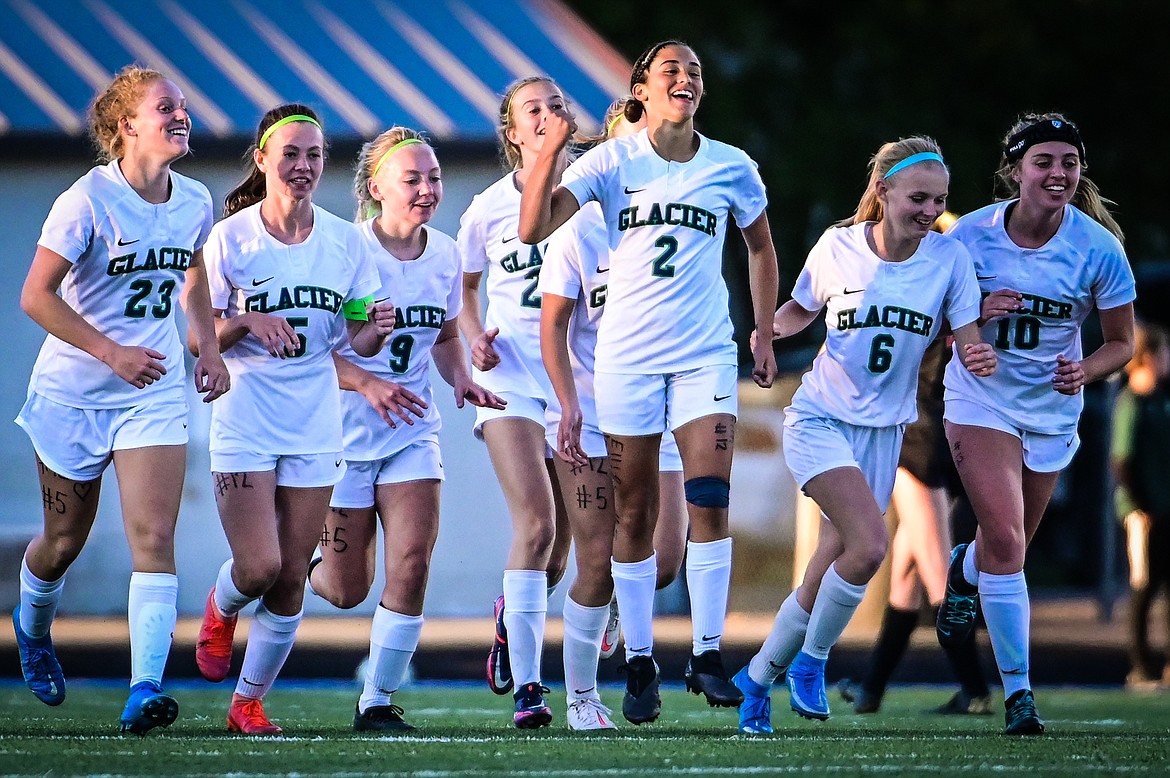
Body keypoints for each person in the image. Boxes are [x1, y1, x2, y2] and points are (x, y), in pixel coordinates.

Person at [520, 40, 780, 724]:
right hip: (628, 362)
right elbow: (532, 230)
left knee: (710, 500)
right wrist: (549, 151)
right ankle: (639, 661)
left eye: (696, 70)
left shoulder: (731, 165)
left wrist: (762, 329)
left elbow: (760, 245)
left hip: (703, 356)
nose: (686, 79)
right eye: (671, 69)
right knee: (632, 515)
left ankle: (708, 654)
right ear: (640, 88)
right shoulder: (612, 159)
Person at [729, 136, 996, 733]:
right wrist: (767, 335)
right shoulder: (838, 246)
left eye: (939, 200)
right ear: (883, 191)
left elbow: (968, 332)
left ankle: (757, 678)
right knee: (871, 546)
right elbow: (802, 309)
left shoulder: (948, 259)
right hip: (821, 419)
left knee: (830, 561)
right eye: (918, 198)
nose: (929, 211)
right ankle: (811, 664)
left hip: (885, 434)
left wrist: (979, 356)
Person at [12, 65, 230, 735]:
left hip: (154, 391)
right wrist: (111, 352)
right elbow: (35, 296)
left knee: (154, 538)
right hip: (74, 396)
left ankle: (144, 689)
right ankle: (32, 627)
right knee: (62, 542)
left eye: (185, 104)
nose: (182, 114)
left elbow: (193, 272)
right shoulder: (86, 201)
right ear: (126, 125)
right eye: (167, 106)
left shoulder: (194, 199)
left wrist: (208, 344)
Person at [193, 104, 394, 735]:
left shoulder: (345, 242)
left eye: (313, 155)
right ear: (262, 159)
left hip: (315, 417)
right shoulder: (230, 238)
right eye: (290, 154)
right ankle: (221, 608)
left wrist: (373, 330)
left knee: (290, 577)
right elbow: (204, 337)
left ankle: (247, 704)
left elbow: (354, 339)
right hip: (246, 412)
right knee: (258, 567)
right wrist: (248, 322)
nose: (303, 166)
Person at [936, 113, 1136, 735]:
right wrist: (970, 325)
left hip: (1051, 411)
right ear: (1014, 171)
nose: (1058, 174)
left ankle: (963, 569)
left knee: (1005, 547)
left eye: (1069, 163)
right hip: (981, 401)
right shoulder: (969, 236)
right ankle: (1021, 694)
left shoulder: (1097, 246)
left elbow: (1122, 342)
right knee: (1008, 539)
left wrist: (1088, 369)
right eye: (1044, 162)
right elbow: (928, 326)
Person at [306, 127, 504, 732]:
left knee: (412, 563)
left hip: (412, 432)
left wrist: (462, 379)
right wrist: (365, 383)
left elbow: (444, 334)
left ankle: (378, 700)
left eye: (434, 177)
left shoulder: (444, 254)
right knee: (344, 591)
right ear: (376, 187)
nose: (427, 189)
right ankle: (291, 564)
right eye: (412, 178)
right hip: (341, 437)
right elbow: (313, 352)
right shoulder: (342, 250)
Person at [538, 96, 690, 731]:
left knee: (666, 559)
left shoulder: (687, 220)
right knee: (596, 555)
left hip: (660, 405)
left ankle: (606, 620)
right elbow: (553, 324)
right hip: (595, 410)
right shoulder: (579, 228)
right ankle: (579, 695)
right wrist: (569, 403)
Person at [457, 76, 579, 729]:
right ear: (512, 132)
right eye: (534, 109)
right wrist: (475, 339)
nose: (547, 116)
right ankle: (532, 691)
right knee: (534, 526)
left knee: (557, 550)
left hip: (574, 384)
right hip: (511, 382)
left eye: (556, 105)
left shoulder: (593, 192)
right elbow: (464, 290)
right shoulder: (484, 210)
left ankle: (510, 616)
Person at [837, 333, 992, 715]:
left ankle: (975, 689)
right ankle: (871, 689)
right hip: (930, 430)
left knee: (938, 574)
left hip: (917, 435)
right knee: (906, 579)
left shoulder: (933, 295)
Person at [1110, 320, 1170, 690]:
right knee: (1144, 584)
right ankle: (1140, 665)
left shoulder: (1163, 399)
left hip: (1166, 510)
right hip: (1143, 514)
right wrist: (1142, 505)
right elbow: (1122, 461)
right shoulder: (1132, 402)